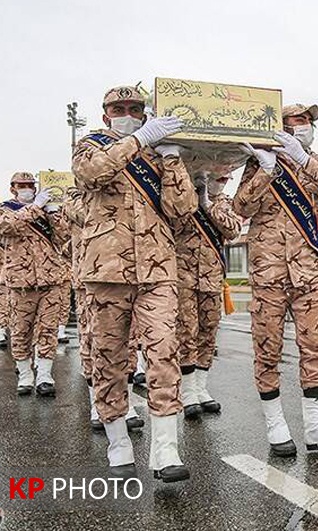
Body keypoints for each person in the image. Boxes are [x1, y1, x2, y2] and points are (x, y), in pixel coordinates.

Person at [72, 85, 197, 481]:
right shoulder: (90, 145)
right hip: (105, 270)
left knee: (163, 352)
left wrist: (172, 159)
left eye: (135, 109)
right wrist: (139, 139)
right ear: (106, 113)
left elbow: (183, 210)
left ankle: (165, 449)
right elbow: (90, 175)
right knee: (109, 359)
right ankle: (118, 440)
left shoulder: (158, 153)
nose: (127, 113)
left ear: (145, 112)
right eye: (119, 108)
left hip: (158, 268)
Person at [234, 102, 318, 457]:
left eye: (306, 122)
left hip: (307, 270)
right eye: (295, 121)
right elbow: (241, 206)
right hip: (268, 272)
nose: (302, 126)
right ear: (280, 126)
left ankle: (316, 425)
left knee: (314, 346)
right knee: (268, 348)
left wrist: (302, 159)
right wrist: (268, 169)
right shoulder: (258, 161)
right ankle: (275, 425)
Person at [62, 187, 144, 431]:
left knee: (128, 343)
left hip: (123, 277)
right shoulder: (73, 197)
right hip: (88, 281)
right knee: (92, 344)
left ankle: (125, 405)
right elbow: (84, 213)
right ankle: (96, 404)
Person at [174, 172, 241, 418]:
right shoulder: (183, 198)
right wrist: (194, 199)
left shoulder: (224, 203)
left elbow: (233, 230)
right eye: (219, 177)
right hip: (184, 276)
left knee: (208, 332)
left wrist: (208, 206)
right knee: (186, 331)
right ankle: (188, 392)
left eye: (226, 178)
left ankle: (201, 388)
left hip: (212, 277)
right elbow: (175, 222)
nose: (222, 181)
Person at [0, 172, 69, 396]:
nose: (28, 189)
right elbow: (8, 227)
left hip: (51, 279)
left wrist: (53, 214)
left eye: (31, 185)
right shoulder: (5, 209)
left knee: (48, 329)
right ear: (13, 188)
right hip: (21, 282)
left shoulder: (44, 211)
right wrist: (36, 207)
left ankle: (45, 375)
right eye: (23, 185)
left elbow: (63, 237)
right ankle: (25, 374)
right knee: (21, 331)